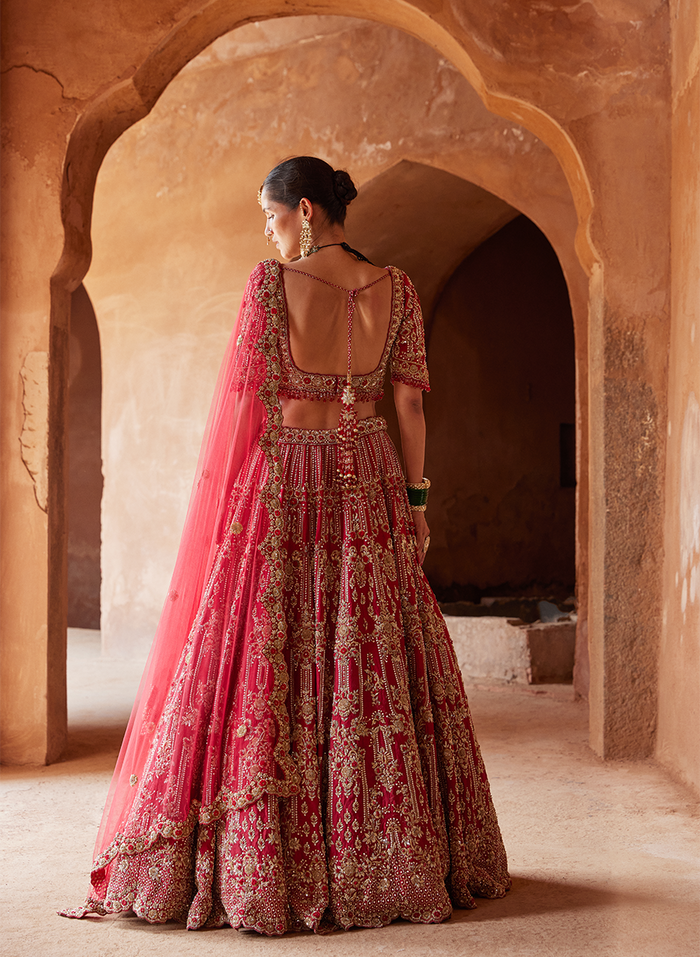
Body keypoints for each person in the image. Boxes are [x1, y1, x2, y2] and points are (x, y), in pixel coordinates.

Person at [60, 156, 510, 934]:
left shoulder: (273, 287)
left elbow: (244, 402)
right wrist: (417, 501)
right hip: (370, 475)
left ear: (304, 209)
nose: (268, 235)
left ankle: (270, 863)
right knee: (367, 652)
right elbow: (408, 404)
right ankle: (393, 856)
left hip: (289, 479)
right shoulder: (397, 288)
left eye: (271, 218)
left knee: (271, 649)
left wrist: (230, 506)